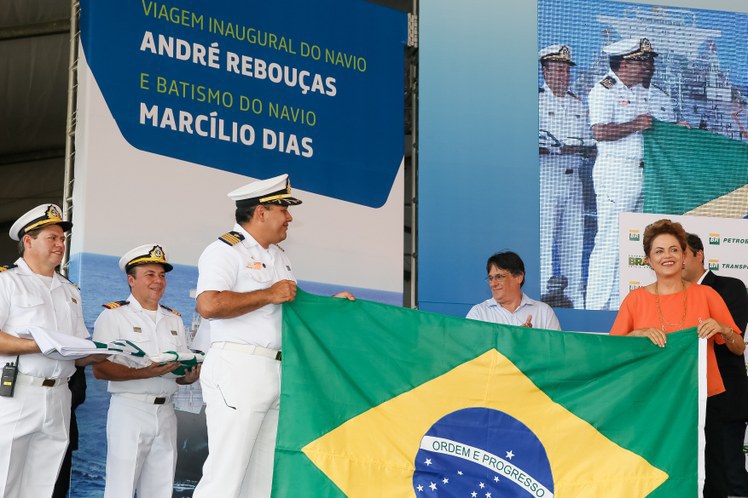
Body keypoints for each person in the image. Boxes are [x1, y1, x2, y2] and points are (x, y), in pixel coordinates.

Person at [192, 174, 353, 497]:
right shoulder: (224, 251)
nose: (290, 217)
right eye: (284, 208)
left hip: (276, 370)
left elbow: (290, 305)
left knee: (263, 479)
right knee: (225, 476)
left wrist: (330, 306)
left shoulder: (279, 256)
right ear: (261, 212)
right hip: (238, 367)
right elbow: (208, 305)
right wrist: (267, 294)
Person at [610, 220, 744, 498]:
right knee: (655, 471)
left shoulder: (707, 294)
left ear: (685, 256)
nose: (667, 256)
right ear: (648, 260)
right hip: (651, 402)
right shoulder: (635, 300)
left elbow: (738, 347)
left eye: (674, 249)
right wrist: (637, 334)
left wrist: (723, 329)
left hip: (704, 402)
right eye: (659, 251)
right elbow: (612, 349)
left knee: (712, 476)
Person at [0, 204, 102, 498]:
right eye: (52, 238)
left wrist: (102, 353)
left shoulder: (71, 291)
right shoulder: (7, 282)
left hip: (59, 396)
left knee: (43, 488)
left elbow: (77, 349)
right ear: (28, 241)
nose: (60, 245)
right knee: (5, 481)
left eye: (62, 239)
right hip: (18, 393)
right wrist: (39, 346)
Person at [92, 244, 200, 498]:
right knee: (121, 487)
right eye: (150, 274)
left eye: (162, 275)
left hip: (166, 412)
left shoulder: (173, 319)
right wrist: (144, 373)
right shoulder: (114, 317)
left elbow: (178, 369)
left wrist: (188, 377)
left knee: (161, 488)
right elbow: (100, 368)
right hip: (130, 410)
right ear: (132, 280)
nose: (158, 281)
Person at [585, 38, 655, 310]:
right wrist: (635, 124)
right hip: (616, 170)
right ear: (625, 62)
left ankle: (618, 302)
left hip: (640, 171)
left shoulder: (638, 91)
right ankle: (596, 306)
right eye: (641, 61)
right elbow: (599, 132)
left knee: (633, 239)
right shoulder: (604, 89)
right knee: (610, 240)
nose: (646, 66)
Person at [683, 233, 748, 498]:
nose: (675, 259)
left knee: (729, 472)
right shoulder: (669, 296)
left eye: (681, 252)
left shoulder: (729, 286)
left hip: (725, 400)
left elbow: (733, 336)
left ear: (699, 255)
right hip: (686, 400)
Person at [538, 44, 594, 308]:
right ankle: (541, 301)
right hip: (546, 178)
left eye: (566, 70)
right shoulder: (535, 101)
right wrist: (554, 146)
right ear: (545, 71)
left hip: (574, 181)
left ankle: (576, 303)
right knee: (544, 244)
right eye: (558, 69)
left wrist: (581, 146)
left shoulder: (578, 104)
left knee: (574, 243)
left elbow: (588, 140)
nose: (563, 75)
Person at [466, 251, 561, 330]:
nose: (493, 284)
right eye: (490, 278)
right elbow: (471, 350)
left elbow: (556, 349)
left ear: (519, 277)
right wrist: (515, 337)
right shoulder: (478, 313)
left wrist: (532, 338)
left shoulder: (544, 312)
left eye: (499, 277)